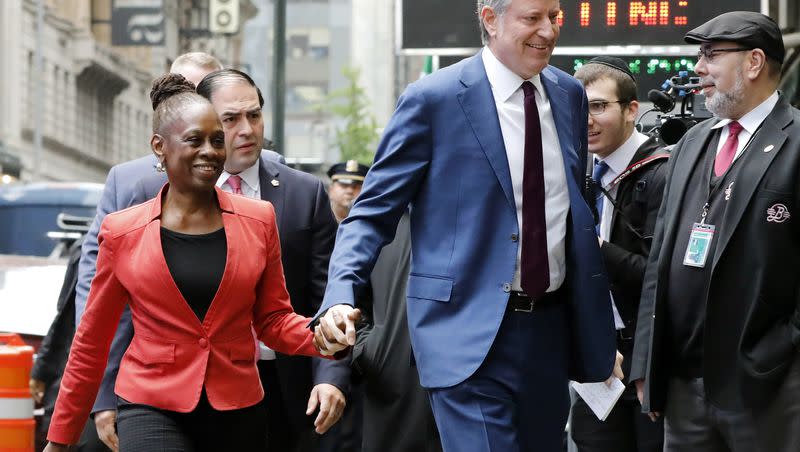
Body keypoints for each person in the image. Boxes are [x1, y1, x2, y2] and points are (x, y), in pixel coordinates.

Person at [313, 1, 620, 450]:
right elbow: (371, 213)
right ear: (490, 19)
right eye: (532, 18)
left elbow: (568, 210)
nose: (549, 31)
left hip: (550, 334)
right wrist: (339, 296)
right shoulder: (433, 99)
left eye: (555, 16)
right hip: (464, 334)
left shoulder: (568, 94)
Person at [43, 74, 326, 451]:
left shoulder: (259, 221)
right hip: (151, 404)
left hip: (238, 407)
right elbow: (92, 342)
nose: (209, 151)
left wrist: (323, 336)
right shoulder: (123, 231)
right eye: (194, 139)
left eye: (216, 140)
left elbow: (274, 320)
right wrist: (59, 440)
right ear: (160, 147)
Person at [630, 11, 800, 452]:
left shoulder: (797, 140)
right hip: (684, 384)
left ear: (754, 62)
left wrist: (782, 349)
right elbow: (660, 259)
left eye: (712, 56)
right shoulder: (692, 142)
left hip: (768, 384)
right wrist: (648, 360)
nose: (698, 68)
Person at [569, 57, 667, 452]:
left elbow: (663, 278)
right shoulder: (576, 173)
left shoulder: (666, 171)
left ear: (631, 110)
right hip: (595, 355)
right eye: (578, 109)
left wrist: (597, 249)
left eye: (598, 106)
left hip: (650, 353)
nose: (587, 120)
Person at [351, 212, 442, 452]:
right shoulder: (376, 219)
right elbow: (351, 297)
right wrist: (372, 350)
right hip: (390, 380)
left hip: (460, 383)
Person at [29, 237, 109, 452]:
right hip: (75, 372)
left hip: (114, 380)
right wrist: (42, 368)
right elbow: (65, 314)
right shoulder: (86, 247)